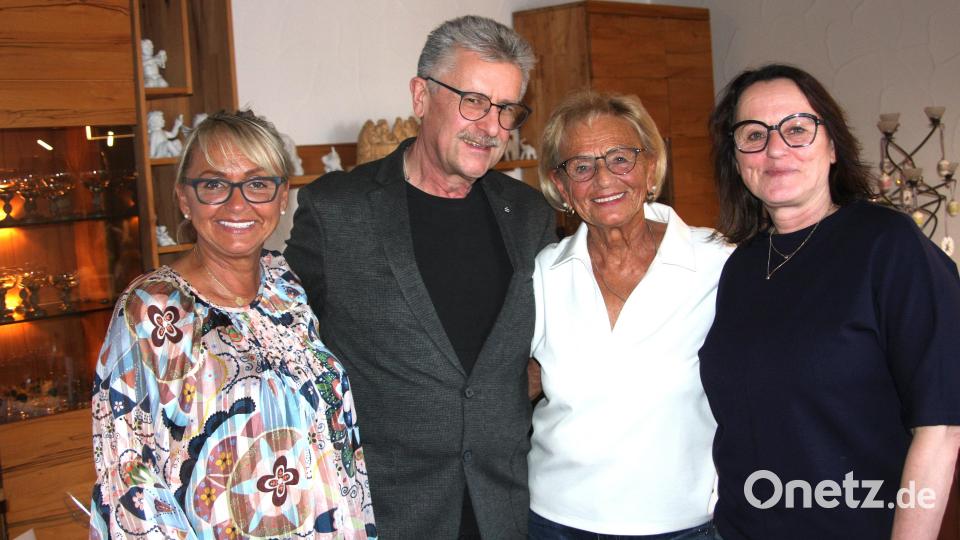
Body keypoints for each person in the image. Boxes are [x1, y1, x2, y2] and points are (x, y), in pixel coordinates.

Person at [285, 15, 555, 539]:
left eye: (507, 109)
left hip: (506, 509)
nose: (491, 127)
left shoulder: (529, 215)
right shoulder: (336, 211)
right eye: (473, 101)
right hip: (385, 512)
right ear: (420, 96)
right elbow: (287, 352)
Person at [700, 63, 960, 539]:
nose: (775, 148)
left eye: (797, 129)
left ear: (833, 145)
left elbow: (941, 426)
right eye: (753, 134)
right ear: (736, 158)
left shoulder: (888, 245)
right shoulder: (740, 266)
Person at [90, 110, 377, 539]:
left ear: (283, 198)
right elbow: (129, 482)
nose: (238, 203)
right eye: (214, 184)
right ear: (185, 199)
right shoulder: (154, 310)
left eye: (258, 183)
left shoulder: (286, 286)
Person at [528, 90, 730, 539]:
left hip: (685, 522)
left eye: (620, 158)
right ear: (561, 187)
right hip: (556, 521)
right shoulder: (544, 272)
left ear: (650, 167)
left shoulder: (717, 263)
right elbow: (511, 380)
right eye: (581, 166)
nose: (603, 180)